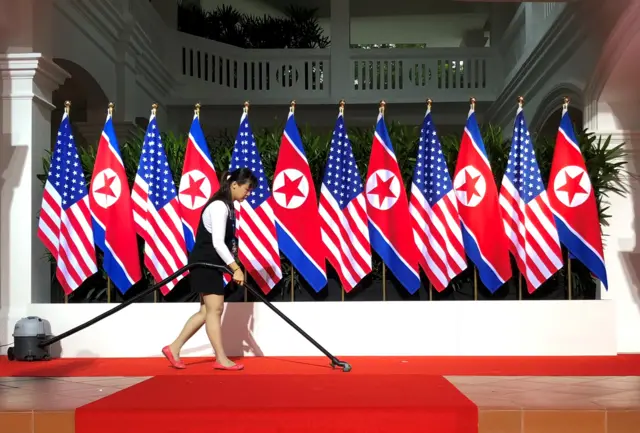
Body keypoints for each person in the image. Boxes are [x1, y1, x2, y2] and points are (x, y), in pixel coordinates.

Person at [162, 167, 257, 370]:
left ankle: (173, 347)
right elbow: (218, 243)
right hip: (205, 263)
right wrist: (236, 268)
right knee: (215, 309)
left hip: (212, 264)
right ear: (234, 185)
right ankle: (221, 359)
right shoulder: (219, 206)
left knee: (206, 311)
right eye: (247, 189)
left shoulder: (228, 206)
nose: (248, 193)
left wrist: (230, 268)